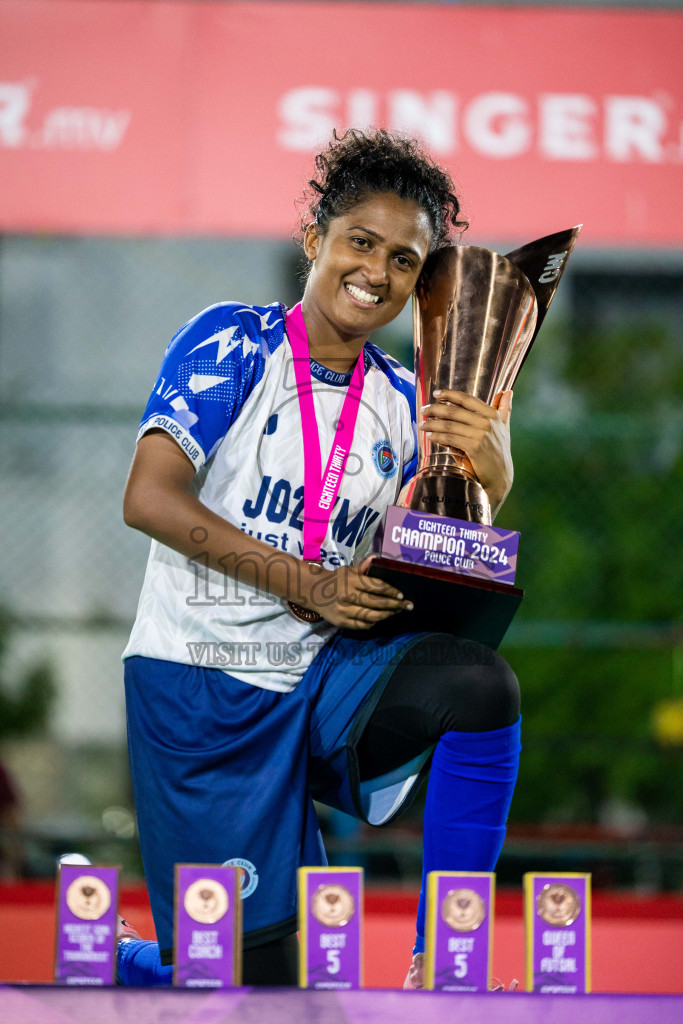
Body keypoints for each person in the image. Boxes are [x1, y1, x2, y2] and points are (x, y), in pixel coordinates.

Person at [119, 128, 520, 989]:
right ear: (316, 241)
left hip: (322, 681)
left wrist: (494, 471)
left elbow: (441, 543)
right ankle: (133, 968)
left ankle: (446, 959)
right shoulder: (232, 341)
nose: (377, 271)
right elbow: (148, 498)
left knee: (477, 686)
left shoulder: (405, 400)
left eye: (405, 261)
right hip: (204, 682)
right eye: (360, 242)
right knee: (248, 992)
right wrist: (311, 584)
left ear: (419, 285)